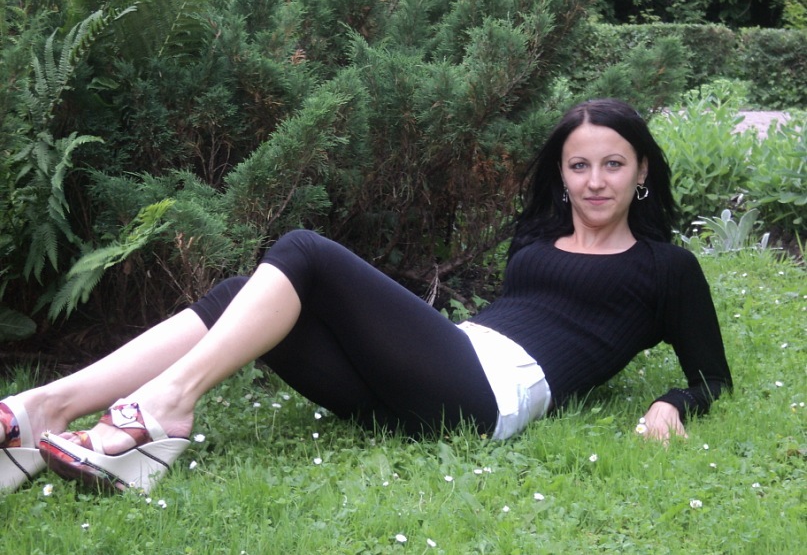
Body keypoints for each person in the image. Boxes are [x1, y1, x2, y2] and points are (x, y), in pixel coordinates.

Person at [1, 98, 732, 495]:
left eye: (613, 164)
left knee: (304, 251)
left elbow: (712, 377)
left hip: (492, 397)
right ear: (562, 175)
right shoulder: (536, 240)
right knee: (238, 294)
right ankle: (46, 410)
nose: (595, 181)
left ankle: (164, 407)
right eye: (579, 166)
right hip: (429, 381)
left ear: (642, 171)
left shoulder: (667, 269)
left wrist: (673, 402)